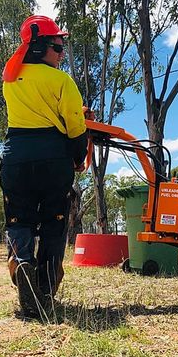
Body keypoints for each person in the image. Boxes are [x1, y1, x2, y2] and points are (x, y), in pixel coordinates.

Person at [1, 15, 87, 317]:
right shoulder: (62, 81)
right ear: (39, 48)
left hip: (15, 157)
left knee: (19, 220)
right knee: (54, 223)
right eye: (58, 47)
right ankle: (46, 289)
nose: (62, 54)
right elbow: (76, 127)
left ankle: (21, 264)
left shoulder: (10, 80)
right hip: (53, 157)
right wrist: (79, 159)